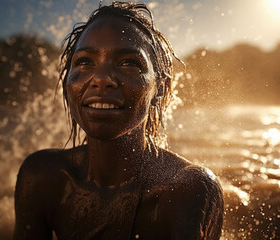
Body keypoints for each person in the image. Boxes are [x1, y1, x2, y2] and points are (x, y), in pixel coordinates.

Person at [14, 2, 224, 240]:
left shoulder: (187, 190)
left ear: (161, 90)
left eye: (129, 63)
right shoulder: (43, 177)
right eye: (84, 61)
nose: (101, 79)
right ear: (67, 83)